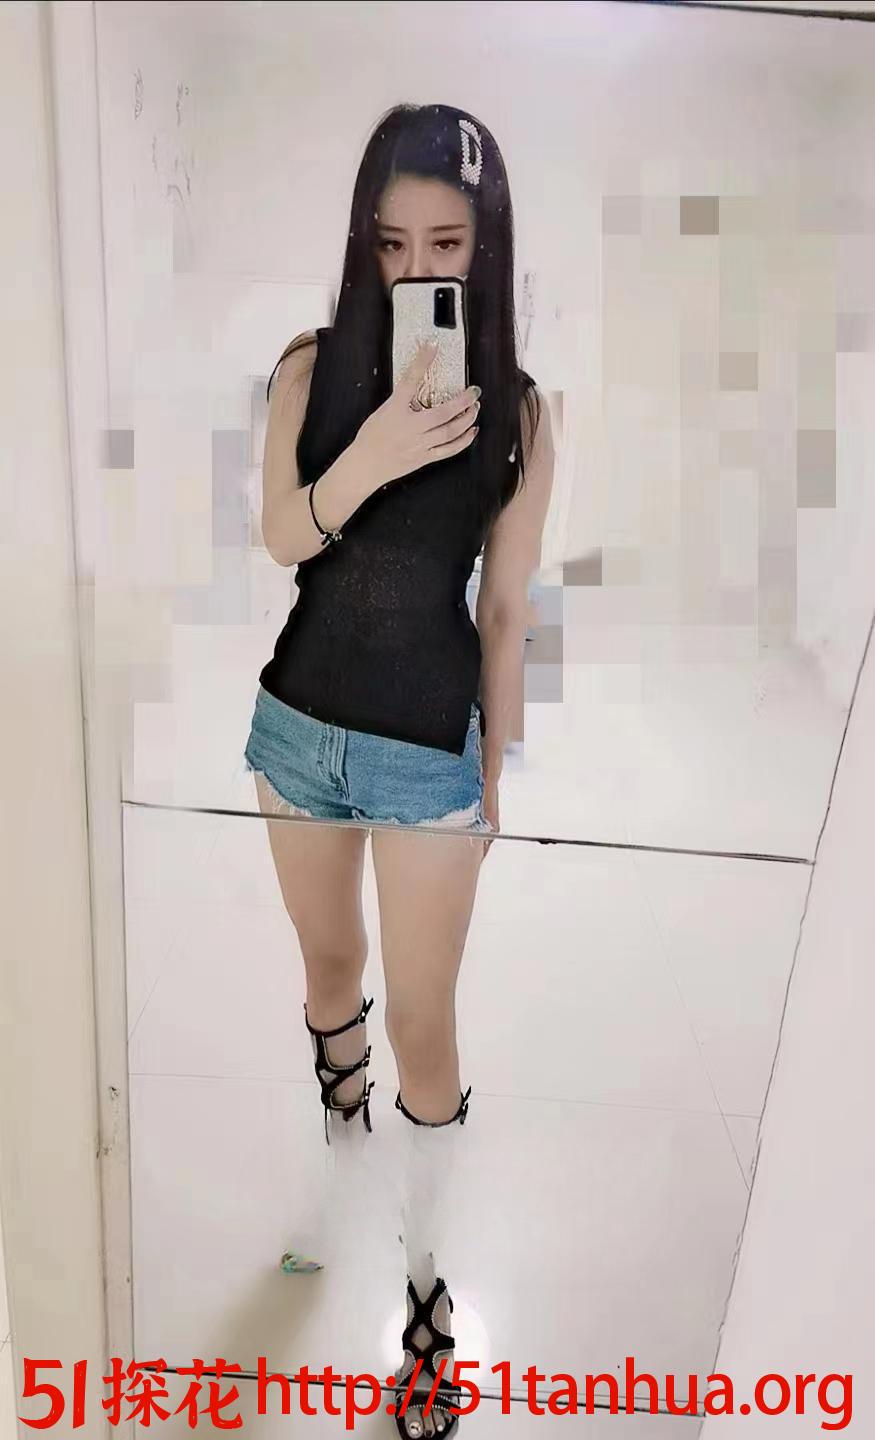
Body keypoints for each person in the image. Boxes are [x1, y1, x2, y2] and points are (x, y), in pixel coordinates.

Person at [243, 103, 554, 1438]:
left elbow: (508, 608)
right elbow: (280, 538)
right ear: (360, 243)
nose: (416, 266)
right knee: (328, 974)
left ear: (487, 248)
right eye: (390, 241)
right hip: (296, 732)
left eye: (445, 242)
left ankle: (427, 1285)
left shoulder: (520, 412)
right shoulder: (309, 370)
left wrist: (498, 774)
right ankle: (347, 1169)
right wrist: (371, 454)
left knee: (426, 1024)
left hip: (429, 752)